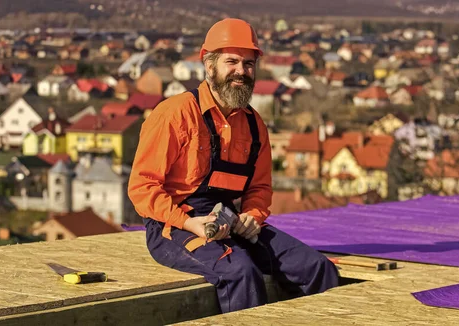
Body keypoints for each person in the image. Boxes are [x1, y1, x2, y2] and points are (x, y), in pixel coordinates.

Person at [128, 18, 338, 313]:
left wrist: (252, 215)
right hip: (173, 225)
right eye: (232, 62)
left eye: (249, 64)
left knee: (316, 268)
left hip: (230, 222)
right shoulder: (174, 115)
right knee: (241, 273)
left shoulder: (254, 126)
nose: (241, 71)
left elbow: (260, 187)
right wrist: (190, 223)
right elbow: (142, 188)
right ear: (209, 64)